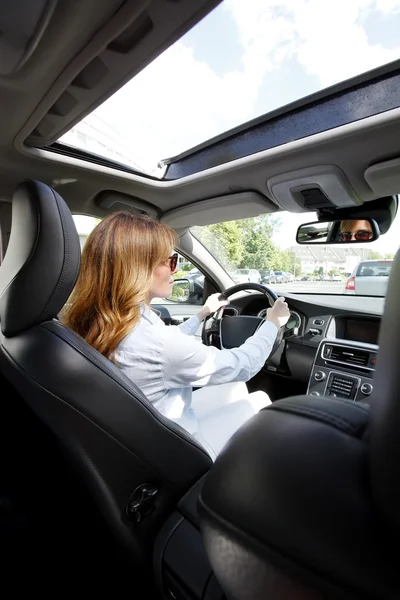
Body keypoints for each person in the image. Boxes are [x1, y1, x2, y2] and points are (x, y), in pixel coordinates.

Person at [63, 212, 290, 458]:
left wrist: (201, 315)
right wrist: (272, 323)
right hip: (178, 453)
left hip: (139, 434)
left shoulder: (98, 321)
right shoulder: (159, 344)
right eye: (171, 261)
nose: (176, 269)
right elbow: (244, 364)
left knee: (236, 389)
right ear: (139, 268)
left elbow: (162, 347)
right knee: (260, 400)